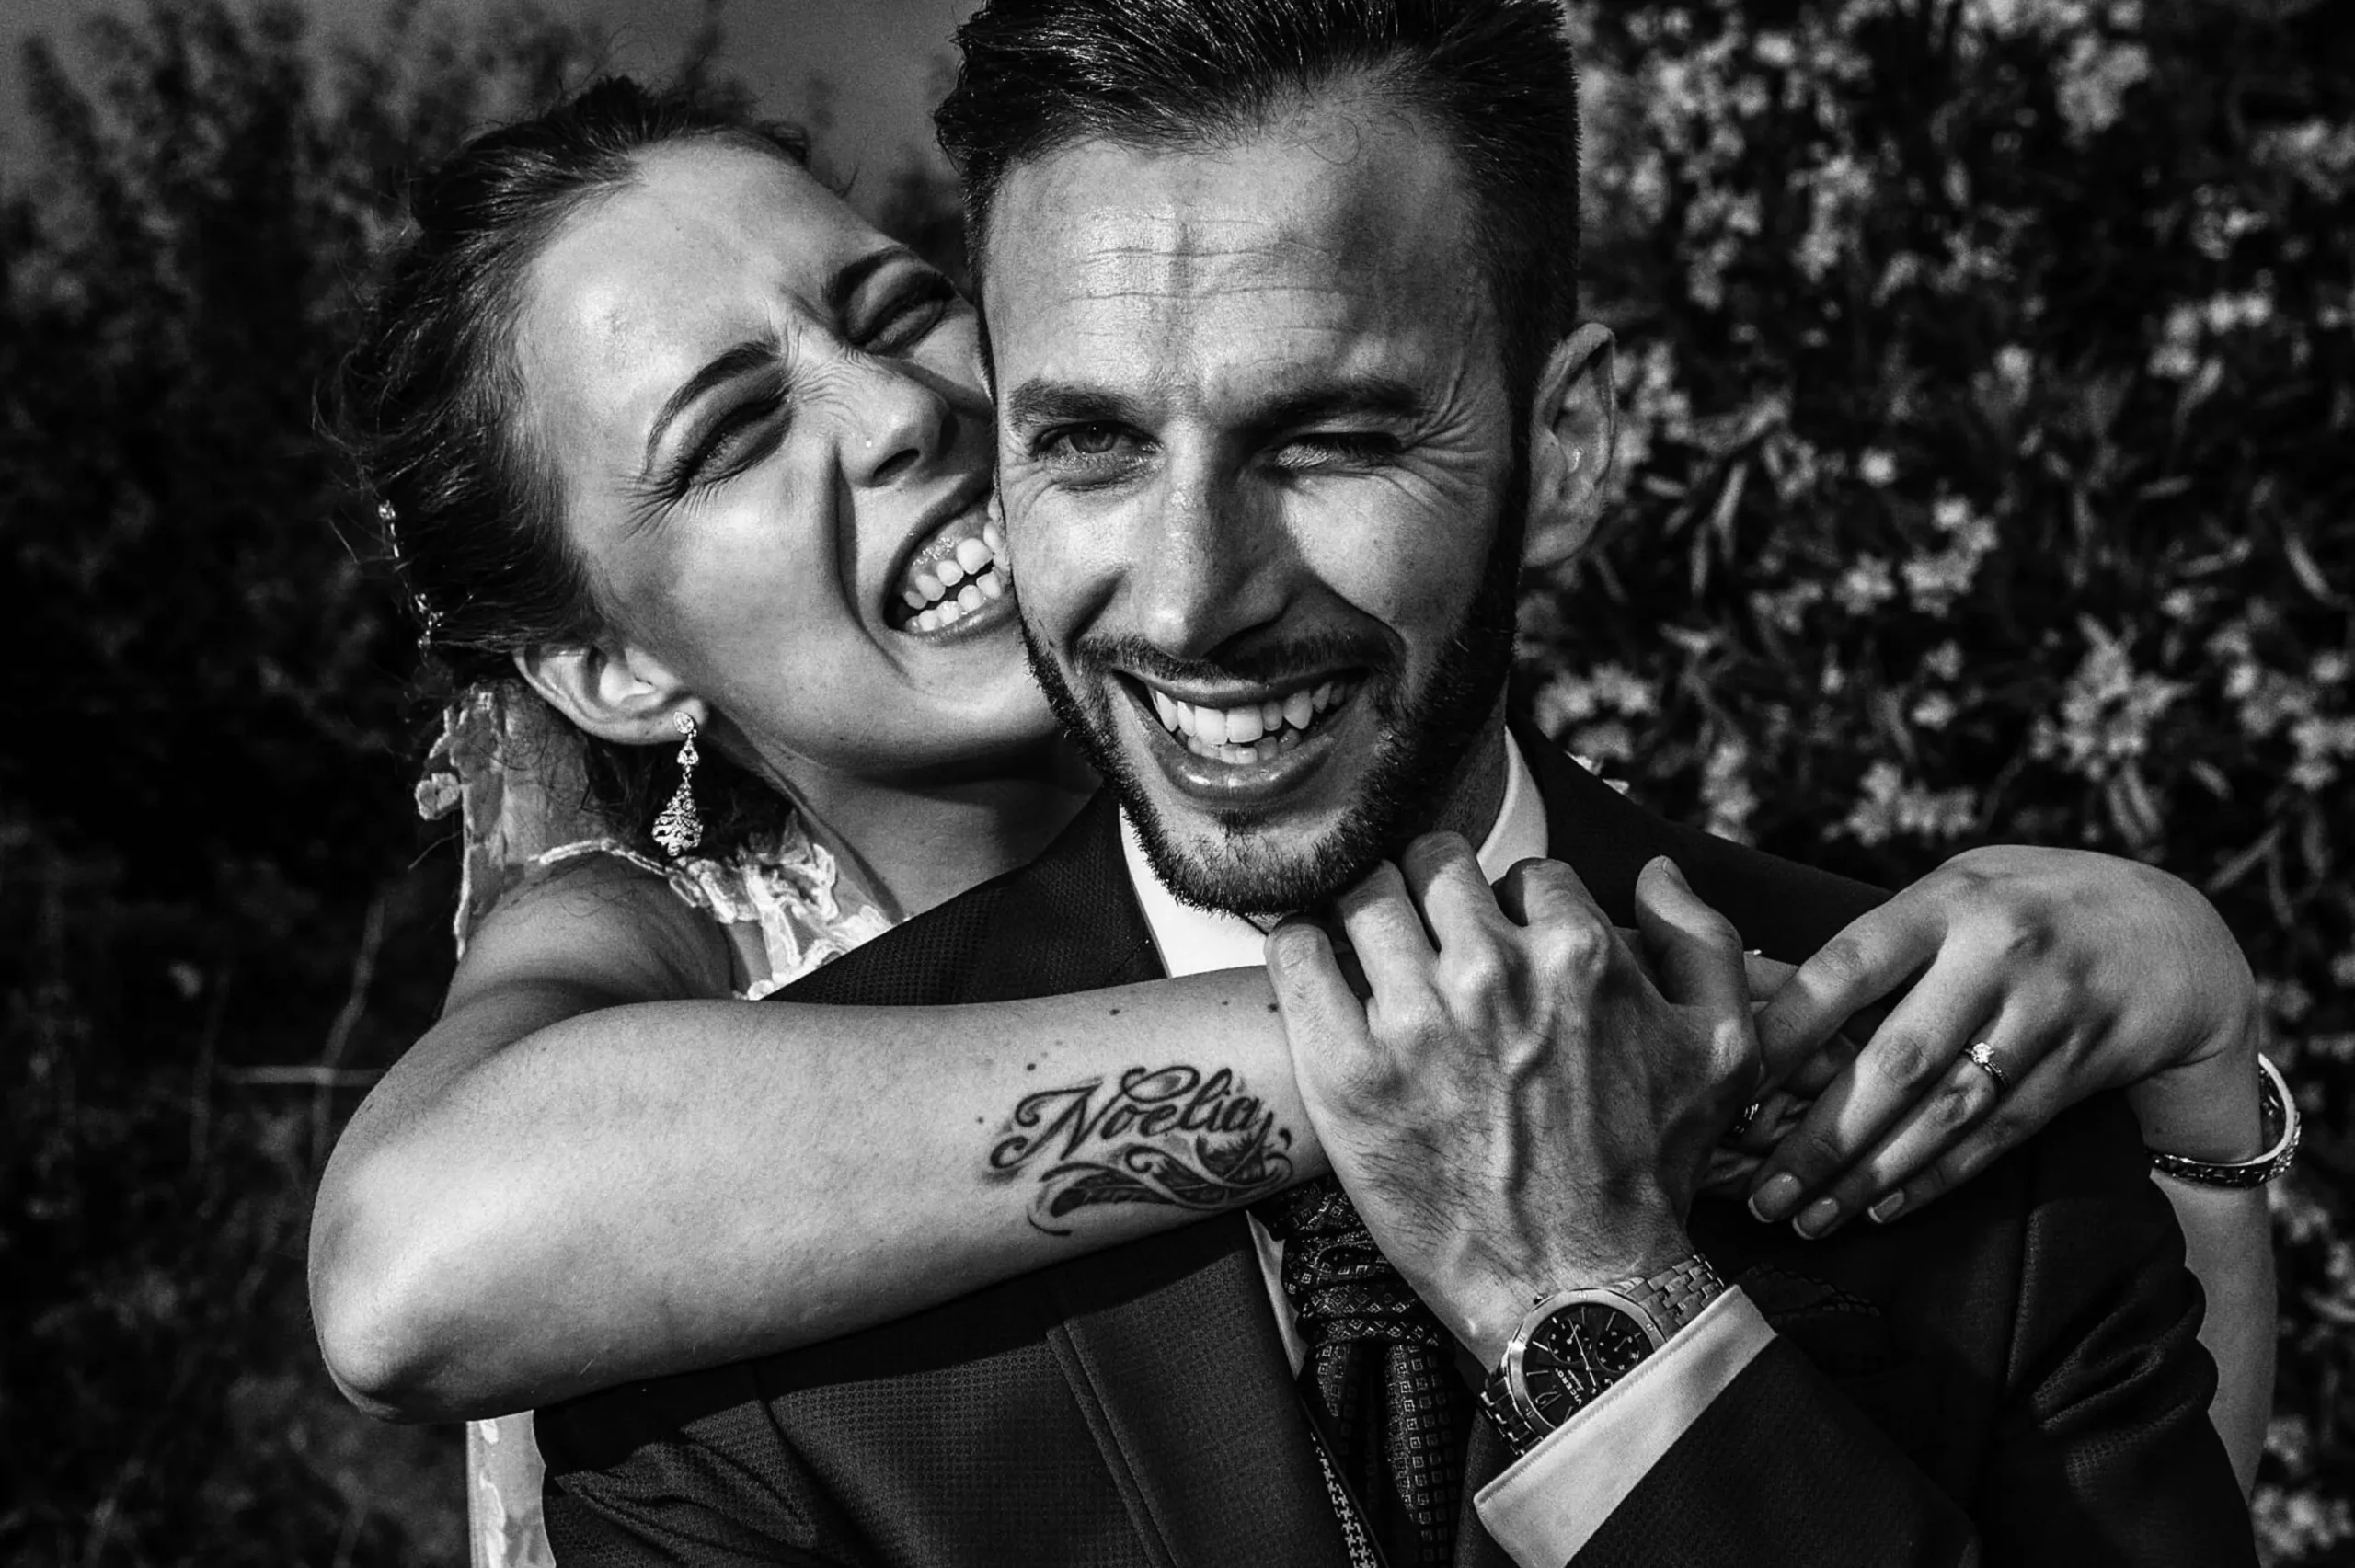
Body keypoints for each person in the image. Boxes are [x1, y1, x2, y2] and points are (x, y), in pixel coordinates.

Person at [310, 53, 2280, 1568]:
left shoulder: (1910, 1031)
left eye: (902, 308)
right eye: (733, 430)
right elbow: (415, 1260)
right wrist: (1455, 1033)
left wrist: (2192, 1049)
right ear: (608, 671)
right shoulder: (686, 1216)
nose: (902, 410)